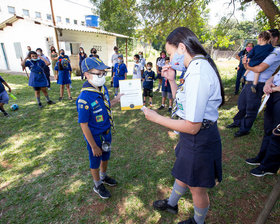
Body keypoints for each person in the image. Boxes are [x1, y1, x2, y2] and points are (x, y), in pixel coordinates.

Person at [143, 27, 224, 224]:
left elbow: (192, 126)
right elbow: (184, 102)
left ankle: (198, 221)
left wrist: (155, 118)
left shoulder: (198, 73)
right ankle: (172, 204)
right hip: (193, 136)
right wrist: (171, 81)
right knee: (183, 173)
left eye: (170, 54)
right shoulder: (195, 68)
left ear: (181, 47)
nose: (169, 60)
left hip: (199, 137)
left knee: (197, 187)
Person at [76, 57, 121, 199]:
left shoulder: (103, 89)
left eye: (103, 73)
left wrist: (117, 99)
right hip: (95, 137)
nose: (102, 76)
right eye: (98, 74)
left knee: (106, 156)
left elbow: (107, 105)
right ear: (87, 74)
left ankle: (103, 176)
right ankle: (97, 184)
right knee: (95, 160)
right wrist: (94, 146)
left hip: (106, 132)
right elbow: (83, 124)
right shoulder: (84, 98)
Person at [227, 28, 280, 137]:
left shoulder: (275, 51)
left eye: (268, 37)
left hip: (259, 82)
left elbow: (260, 68)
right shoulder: (263, 48)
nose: (266, 39)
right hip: (248, 80)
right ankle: (237, 122)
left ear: (275, 38)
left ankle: (244, 129)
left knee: (251, 107)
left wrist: (247, 65)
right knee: (242, 104)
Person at [245, 73, 280, 176]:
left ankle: (268, 167)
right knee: (268, 129)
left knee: (277, 135)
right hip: (274, 95)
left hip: (276, 92)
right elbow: (275, 76)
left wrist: (274, 89)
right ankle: (262, 157)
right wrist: (268, 83)